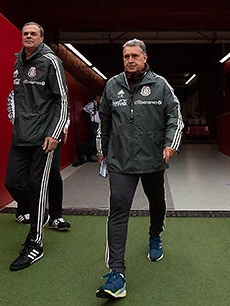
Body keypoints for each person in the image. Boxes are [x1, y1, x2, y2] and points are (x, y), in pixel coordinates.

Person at [95, 39, 183, 299]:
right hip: (121, 161)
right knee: (118, 208)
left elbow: (175, 117)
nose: (130, 60)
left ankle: (155, 234)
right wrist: (102, 151)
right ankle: (116, 274)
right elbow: (104, 122)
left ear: (145, 58)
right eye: (125, 56)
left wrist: (171, 144)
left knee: (156, 202)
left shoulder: (160, 85)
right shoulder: (112, 85)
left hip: (152, 159)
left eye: (135, 55)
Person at [4, 22, 69, 271]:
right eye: (25, 33)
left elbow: (61, 101)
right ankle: (35, 210)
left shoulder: (51, 61)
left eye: (33, 33)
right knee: (12, 181)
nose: (28, 36)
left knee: (38, 187)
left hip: (43, 138)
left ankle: (35, 243)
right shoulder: (18, 61)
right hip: (21, 137)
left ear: (42, 37)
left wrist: (54, 134)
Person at [83, 95, 101, 160]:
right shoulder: (92, 104)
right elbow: (85, 108)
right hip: (94, 123)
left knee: (97, 138)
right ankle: (90, 153)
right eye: (98, 98)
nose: (99, 99)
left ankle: (94, 152)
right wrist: (91, 112)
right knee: (94, 138)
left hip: (98, 122)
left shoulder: (99, 104)